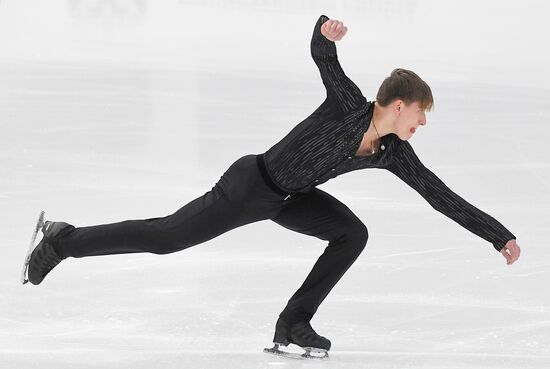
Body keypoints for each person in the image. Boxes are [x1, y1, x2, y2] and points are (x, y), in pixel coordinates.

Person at [22, 15, 521, 357]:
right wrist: (324, 30)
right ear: (396, 105)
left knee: (352, 233)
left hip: (291, 199)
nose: (423, 124)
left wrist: (498, 235)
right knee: (167, 238)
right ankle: (64, 240)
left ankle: (293, 324)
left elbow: (441, 195)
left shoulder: (394, 152)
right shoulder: (350, 105)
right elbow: (324, 56)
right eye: (420, 114)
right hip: (252, 184)